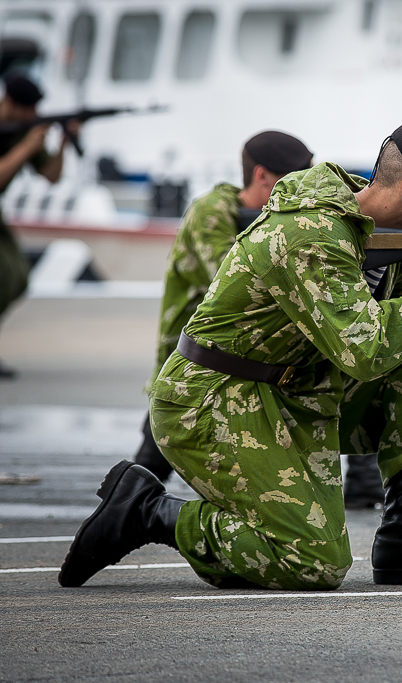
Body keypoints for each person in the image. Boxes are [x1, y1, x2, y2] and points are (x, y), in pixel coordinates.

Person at [59, 119, 402, 591]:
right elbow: (364, 350)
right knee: (313, 562)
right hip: (218, 399)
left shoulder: (395, 233)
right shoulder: (310, 232)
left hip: (300, 393)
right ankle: (149, 511)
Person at [133, 131, 314, 483]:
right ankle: (129, 497)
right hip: (190, 350)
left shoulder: (275, 216)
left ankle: (364, 484)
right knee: (163, 440)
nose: (300, 191)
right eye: (292, 180)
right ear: (262, 175)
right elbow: (232, 279)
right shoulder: (212, 211)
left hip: (237, 350)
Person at [0, 75, 78, 379]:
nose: (33, 115)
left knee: (15, 275)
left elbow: (51, 175)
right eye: (28, 109)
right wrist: (26, 147)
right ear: (10, 103)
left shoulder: (21, 131)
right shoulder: (21, 136)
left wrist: (63, 144)